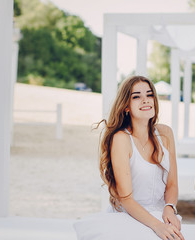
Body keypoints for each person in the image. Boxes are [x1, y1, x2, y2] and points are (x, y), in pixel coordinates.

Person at [79, 75, 184, 240]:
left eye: (149, 95)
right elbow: (126, 199)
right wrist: (158, 227)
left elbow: (172, 184)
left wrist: (169, 207)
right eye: (137, 96)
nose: (145, 100)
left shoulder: (165, 134)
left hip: (160, 214)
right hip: (129, 216)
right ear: (126, 106)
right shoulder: (121, 139)